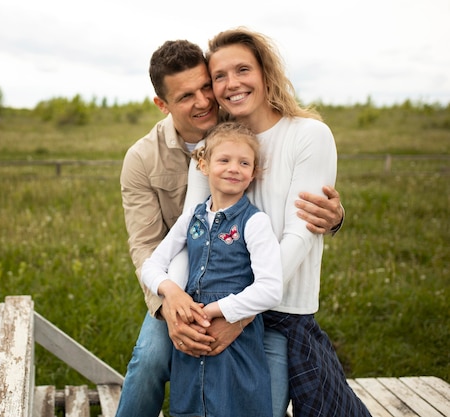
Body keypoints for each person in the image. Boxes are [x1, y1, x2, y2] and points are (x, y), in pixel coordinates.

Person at [117, 39, 344, 417]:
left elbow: (300, 215)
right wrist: (175, 303)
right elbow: (150, 245)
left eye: (207, 86)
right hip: (184, 287)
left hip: (255, 297)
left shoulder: (234, 131)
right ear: (163, 104)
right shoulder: (146, 158)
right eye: (187, 95)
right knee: (150, 358)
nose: (205, 100)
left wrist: (336, 217)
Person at [179, 26, 371, 417]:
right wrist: (183, 307)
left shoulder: (309, 136)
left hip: (280, 314)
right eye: (219, 76)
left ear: (265, 72)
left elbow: (300, 234)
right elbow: (190, 227)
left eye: (242, 70)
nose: (232, 83)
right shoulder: (212, 147)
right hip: (212, 308)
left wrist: (241, 312)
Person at [141, 121, 283, 417]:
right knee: (192, 405)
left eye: (244, 162)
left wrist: (215, 310)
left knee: (234, 407)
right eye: (224, 160)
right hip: (192, 341)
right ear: (203, 165)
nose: (234, 168)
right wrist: (172, 292)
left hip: (235, 341)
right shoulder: (191, 218)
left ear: (253, 172)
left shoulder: (254, 222)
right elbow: (152, 265)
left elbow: (270, 289)